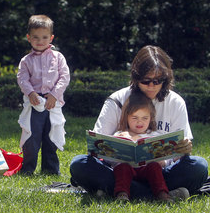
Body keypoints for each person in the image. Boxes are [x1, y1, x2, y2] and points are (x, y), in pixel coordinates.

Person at [70, 45, 208, 199]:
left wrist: (184, 148)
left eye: (158, 81)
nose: (152, 86)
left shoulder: (175, 102)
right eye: (146, 81)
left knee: (199, 166)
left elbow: (179, 154)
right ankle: (160, 194)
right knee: (79, 164)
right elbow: (97, 148)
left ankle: (120, 192)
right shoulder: (117, 99)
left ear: (166, 78)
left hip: (160, 172)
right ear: (136, 78)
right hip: (120, 171)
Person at [17, 14, 70, 175]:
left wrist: (55, 94)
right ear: (28, 38)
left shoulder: (58, 57)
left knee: (51, 136)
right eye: (36, 37)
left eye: (44, 37)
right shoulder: (26, 60)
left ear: (51, 37)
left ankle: (50, 169)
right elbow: (22, 78)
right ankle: (27, 168)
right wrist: (31, 92)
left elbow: (64, 76)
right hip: (35, 103)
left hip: (52, 102)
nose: (40, 41)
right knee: (32, 138)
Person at [112, 91, 189, 202]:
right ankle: (122, 194)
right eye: (134, 118)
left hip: (147, 171)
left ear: (151, 118)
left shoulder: (155, 135)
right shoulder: (119, 134)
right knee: (122, 168)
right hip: (128, 171)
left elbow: (167, 155)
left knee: (154, 167)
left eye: (145, 118)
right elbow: (109, 158)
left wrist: (164, 162)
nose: (139, 122)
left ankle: (162, 194)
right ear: (126, 117)